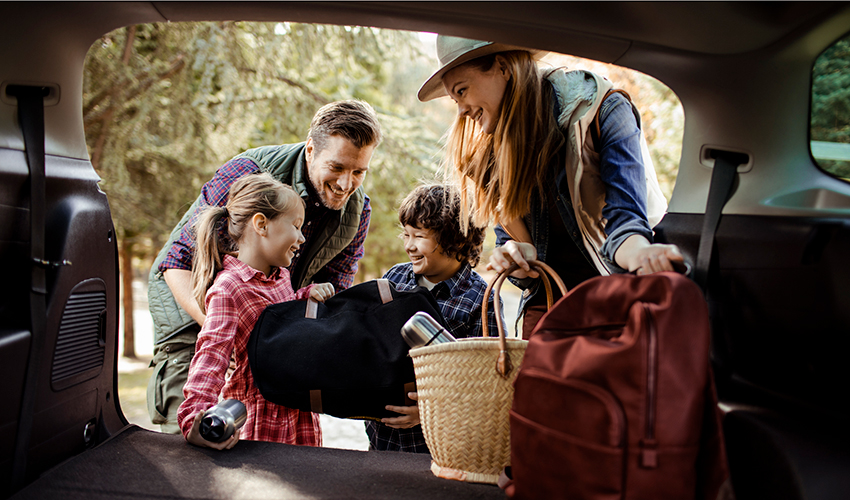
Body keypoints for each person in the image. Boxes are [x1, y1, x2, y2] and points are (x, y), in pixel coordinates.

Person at [418, 35, 684, 338]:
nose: (462, 111)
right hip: (550, 312)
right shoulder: (490, 159)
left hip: (617, 300)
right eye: (455, 100)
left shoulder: (602, 109)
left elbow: (627, 224)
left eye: (462, 91)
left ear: (503, 68)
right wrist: (514, 256)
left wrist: (642, 255)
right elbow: (519, 253)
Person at [147, 100, 382, 433]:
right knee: (191, 443)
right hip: (195, 315)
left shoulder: (357, 213)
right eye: (338, 167)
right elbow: (176, 261)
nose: (346, 183)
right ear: (311, 149)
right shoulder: (248, 171)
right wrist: (232, 336)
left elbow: (332, 298)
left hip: (266, 333)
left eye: (359, 172)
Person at [177, 173, 335, 450]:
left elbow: (278, 323)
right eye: (296, 226)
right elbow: (211, 356)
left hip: (297, 416)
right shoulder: (229, 288)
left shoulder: (281, 277)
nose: (301, 237)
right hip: (261, 422)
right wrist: (194, 419)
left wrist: (303, 297)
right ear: (261, 224)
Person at [365, 183, 505, 453]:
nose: (409, 246)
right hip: (380, 440)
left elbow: (485, 383)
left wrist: (427, 412)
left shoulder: (482, 300)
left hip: (436, 445)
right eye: (405, 234)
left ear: (457, 239)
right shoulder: (394, 278)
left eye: (419, 236)